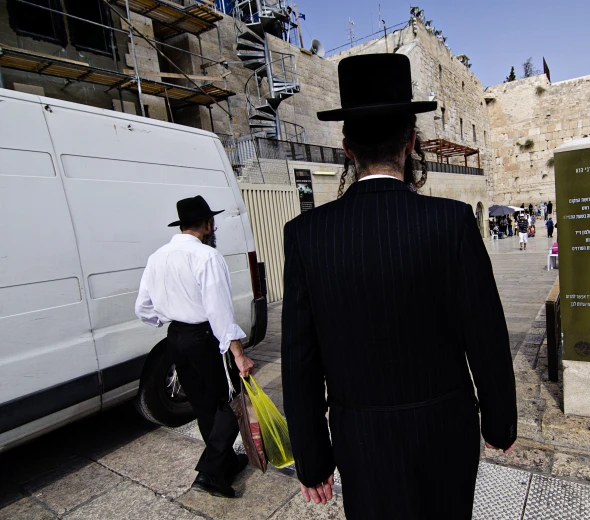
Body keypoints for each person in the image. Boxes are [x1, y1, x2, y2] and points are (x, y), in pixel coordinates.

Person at [282, 54, 517, 519]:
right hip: (446, 428)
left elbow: (300, 360)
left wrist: (312, 458)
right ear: (411, 143)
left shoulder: (306, 235)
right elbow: (486, 334)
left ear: (347, 148)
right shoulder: (451, 224)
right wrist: (499, 423)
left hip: (361, 440)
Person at [135, 195, 256, 498]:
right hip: (203, 337)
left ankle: (225, 462)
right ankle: (210, 472)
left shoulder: (157, 257)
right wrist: (238, 354)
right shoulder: (206, 256)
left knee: (203, 405)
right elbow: (219, 311)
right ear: (207, 224)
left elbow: (143, 309)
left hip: (175, 338)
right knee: (231, 402)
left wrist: (167, 317)